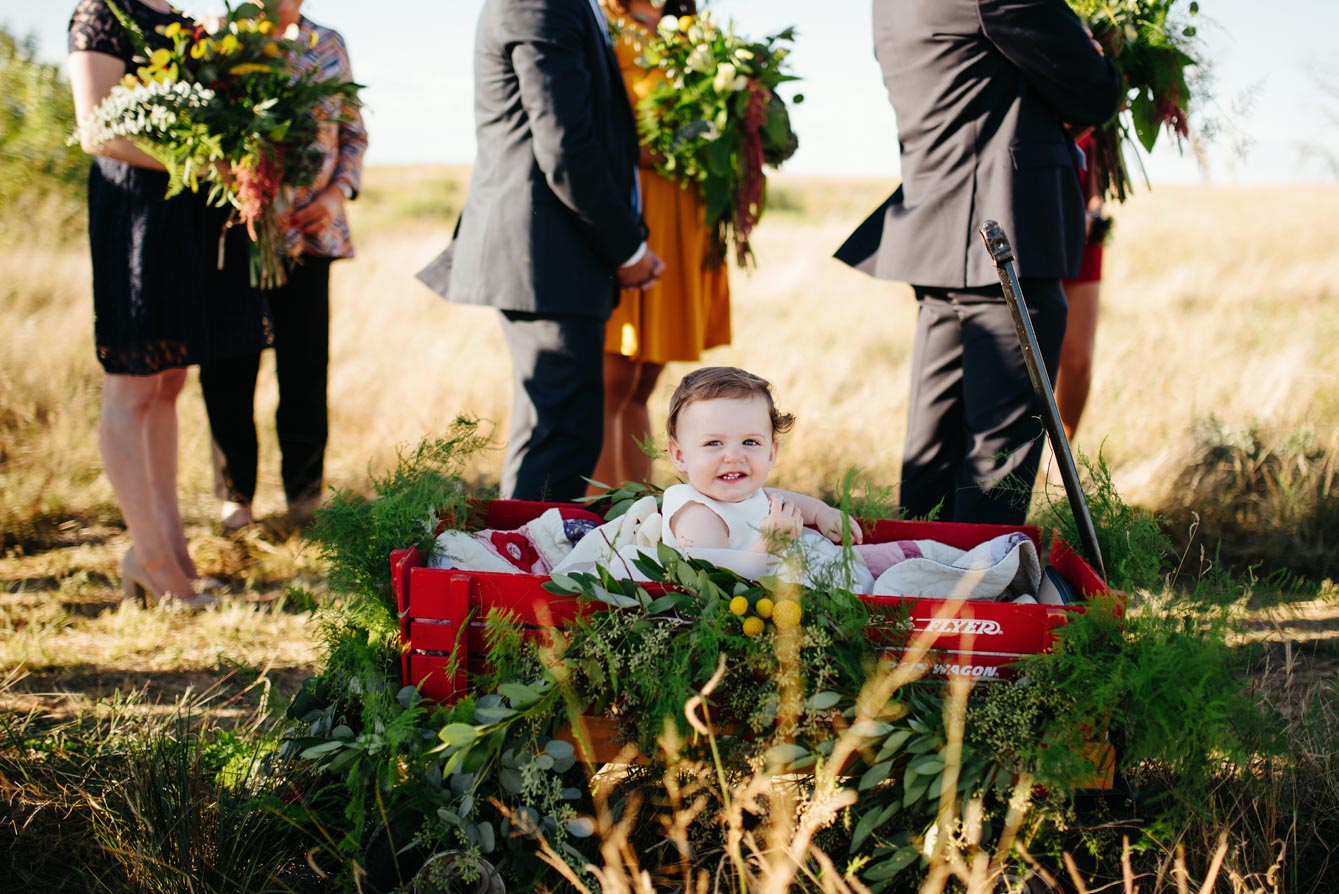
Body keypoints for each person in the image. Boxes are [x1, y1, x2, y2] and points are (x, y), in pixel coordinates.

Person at [835, 0, 1122, 525]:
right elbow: (1093, 89)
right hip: (1004, 239)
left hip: (940, 234)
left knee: (935, 446)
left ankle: (915, 589)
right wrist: (1093, 51)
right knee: (999, 457)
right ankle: (977, 595)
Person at [416, 0, 665, 503]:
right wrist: (627, 248)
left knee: (555, 433)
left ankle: (523, 567)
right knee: (560, 441)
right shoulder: (540, 3)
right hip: (546, 255)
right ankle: (529, 574)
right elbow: (565, 147)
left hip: (554, 255)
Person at [68, 0, 273, 609]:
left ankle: (169, 552)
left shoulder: (187, 20)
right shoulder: (100, 13)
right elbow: (96, 129)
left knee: (169, 383)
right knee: (131, 388)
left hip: (186, 220)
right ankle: (153, 559)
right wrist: (197, 163)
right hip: (134, 217)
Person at [198, 0, 367, 531]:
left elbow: (353, 134)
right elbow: (204, 136)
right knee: (229, 366)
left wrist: (337, 194)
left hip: (310, 237)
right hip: (239, 233)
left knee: (304, 368)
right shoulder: (221, 40)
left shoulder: (328, 44)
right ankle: (236, 498)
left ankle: (304, 499)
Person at [590, 0, 731, 492]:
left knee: (640, 385)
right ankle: (598, 519)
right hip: (633, 206)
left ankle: (642, 507)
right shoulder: (603, 22)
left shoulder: (697, 31)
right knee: (608, 378)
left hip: (685, 211)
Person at [663, 367, 932, 589]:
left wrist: (821, 512)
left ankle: (927, 566)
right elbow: (715, 581)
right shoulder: (698, 515)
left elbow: (778, 499)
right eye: (713, 443)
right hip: (780, 606)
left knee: (902, 566)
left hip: (813, 571)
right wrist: (771, 542)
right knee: (893, 587)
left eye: (749, 442)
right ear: (680, 455)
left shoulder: (748, 493)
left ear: (771, 453)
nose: (734, 456)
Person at [1054, 131, 1107, 442]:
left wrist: (1092, 215)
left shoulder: (1095, 118)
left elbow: (1097, 191)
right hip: (1030, 238)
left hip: (1081, 241)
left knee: (1078, 360)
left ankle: (1060, 461)